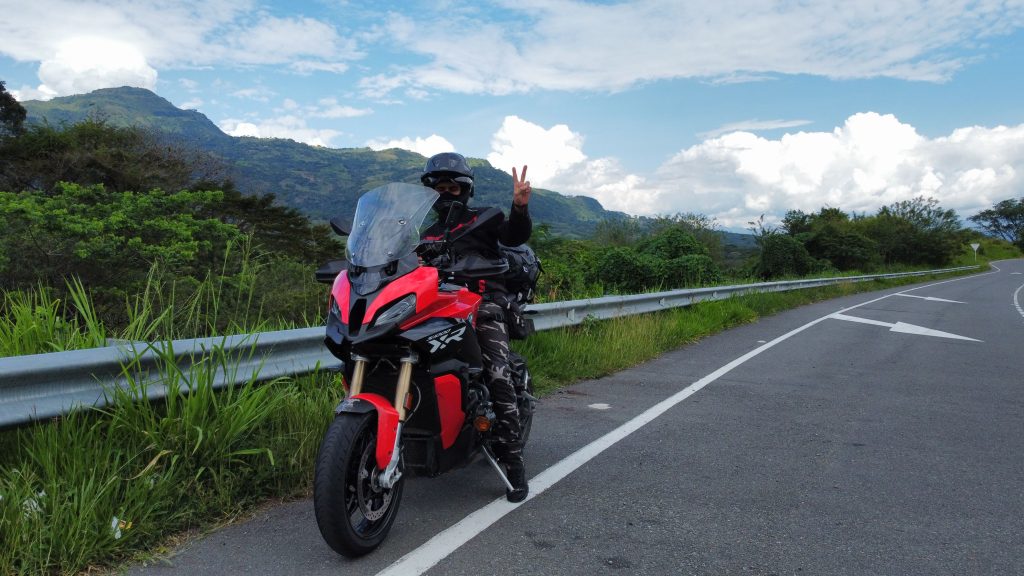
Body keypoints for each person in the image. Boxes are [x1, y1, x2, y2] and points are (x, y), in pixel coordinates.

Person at [419, 151, 532, 502]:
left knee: (497, 373)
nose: (446, 194)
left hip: (483, 306)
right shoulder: (428, 233)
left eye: (452, 188)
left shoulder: (483, 219)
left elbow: (513, 236)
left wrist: (519, 207)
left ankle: (513, 463)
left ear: (465, 189)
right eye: (439, 189)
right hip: (438, 308)